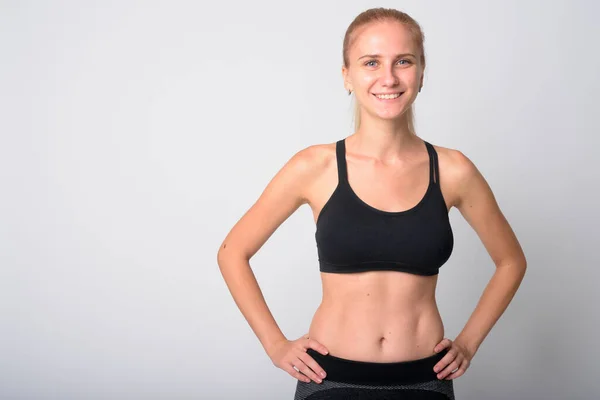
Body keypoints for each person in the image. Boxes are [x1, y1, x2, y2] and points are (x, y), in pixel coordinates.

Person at [217, 7, 527, 400]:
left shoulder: (453, 170)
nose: (389, 77)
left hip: (424, 382)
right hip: (331, 381)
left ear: (421, 72)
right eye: (371, 62)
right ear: (347, 75)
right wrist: (274, 343)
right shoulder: (315, 166)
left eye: (403, 61)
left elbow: (511, 261)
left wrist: (468, 342)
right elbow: (232, 252)